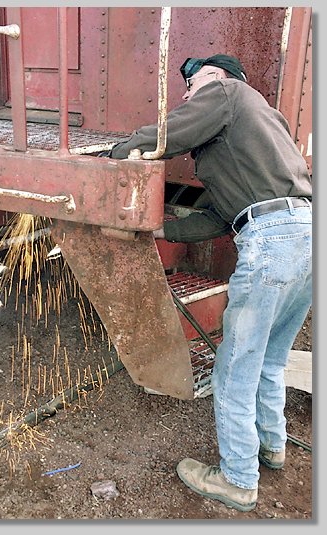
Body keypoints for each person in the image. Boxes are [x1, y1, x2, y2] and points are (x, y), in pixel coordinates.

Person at [104, 54, 312, 512]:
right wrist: (160, 230)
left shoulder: (228, 92)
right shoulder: (258, 126)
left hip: (273, 241)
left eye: (192, 85)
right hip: (306, 236)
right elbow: (221, 217)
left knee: (235, 367)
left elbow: (166, 135)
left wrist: (115, 156)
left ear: (219, 79)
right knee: (270, 357)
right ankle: (271, 447)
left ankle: (238, 479)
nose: (186, 95)